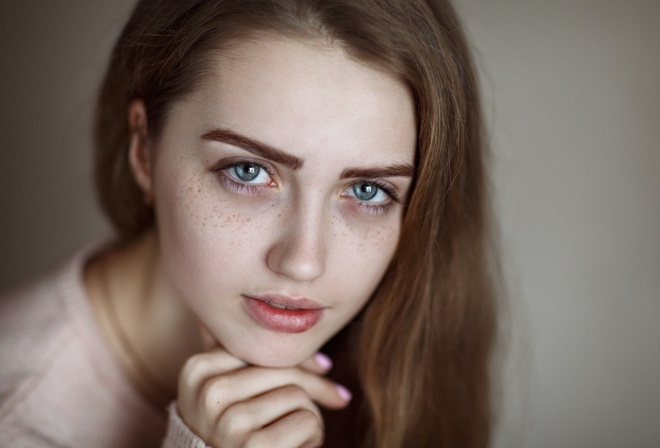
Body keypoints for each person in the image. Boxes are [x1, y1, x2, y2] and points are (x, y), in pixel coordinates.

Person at [0, 0, 498, 446]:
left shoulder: (396, 363)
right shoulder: (18, 418)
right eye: (248, 171)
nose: (303, 262)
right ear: (144, 151)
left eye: (368, 191)